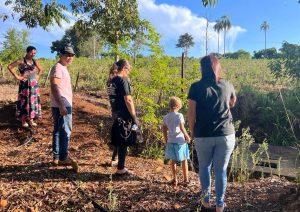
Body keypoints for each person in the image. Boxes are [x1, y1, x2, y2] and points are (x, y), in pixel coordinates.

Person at [187, 54, 237, 212]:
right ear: (217, 67)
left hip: (203, 134)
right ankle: (220, 205)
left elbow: (191, 113)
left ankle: (206, 202)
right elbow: (232, 102)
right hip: (226, 134)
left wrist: (192, 131)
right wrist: (224, 106)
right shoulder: (227, 84)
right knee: (221, 170)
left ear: (202, 69)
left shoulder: (195, 87)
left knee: (204, 167)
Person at [49, 46, 78, 172]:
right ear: (60, 54)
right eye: (67, 54)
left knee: (58, 130)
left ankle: (56, 156)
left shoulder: (62, 68)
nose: (70, 57)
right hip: (61, 104)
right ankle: (63, 157)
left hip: (60, 104)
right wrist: (61, 105)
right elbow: (54, 86)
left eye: (72, 55)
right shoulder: (58, 68)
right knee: (65, 130)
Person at [108, 59, 139, 175]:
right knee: (124, 140)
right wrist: (134, 116)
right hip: (124, 114)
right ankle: (121, 168)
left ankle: (119, 164)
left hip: (115, 112)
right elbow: (128, 99)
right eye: (129, 69)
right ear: (124, 68)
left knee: (120, 139)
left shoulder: (112, 80)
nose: (129, 72)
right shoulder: (122, 80)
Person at [7, 46, 42, 127]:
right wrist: (17, 76)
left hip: (33, 85)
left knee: (32, 102)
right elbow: (10, 67)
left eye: (34, 53)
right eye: (31, 53)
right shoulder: (21, 60)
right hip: (25, 84)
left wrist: (37, 76)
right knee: (24, 101)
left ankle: (31, 120)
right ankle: (23, 121)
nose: (33, 54)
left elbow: (41, 69)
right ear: (27, 52)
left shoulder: (34, 61)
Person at [162, 96, 191, 187]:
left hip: (171, 141)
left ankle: (175, 179)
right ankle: (185, 179)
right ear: (178, 105)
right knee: (183, 160)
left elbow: (164, 129)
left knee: (173, 160)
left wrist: (166, 140)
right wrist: (187, 136)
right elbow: (182, 128)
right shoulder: (179, 115)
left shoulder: (166, 117)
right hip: (180, 141)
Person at [107, 63, 118, 166]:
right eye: (115, 70)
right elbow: (114, 98)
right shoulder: (112, 81)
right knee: (120, 133)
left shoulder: (112, 81)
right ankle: (115, 158)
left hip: (116, 110)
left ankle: (116, 157)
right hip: (117, 111)